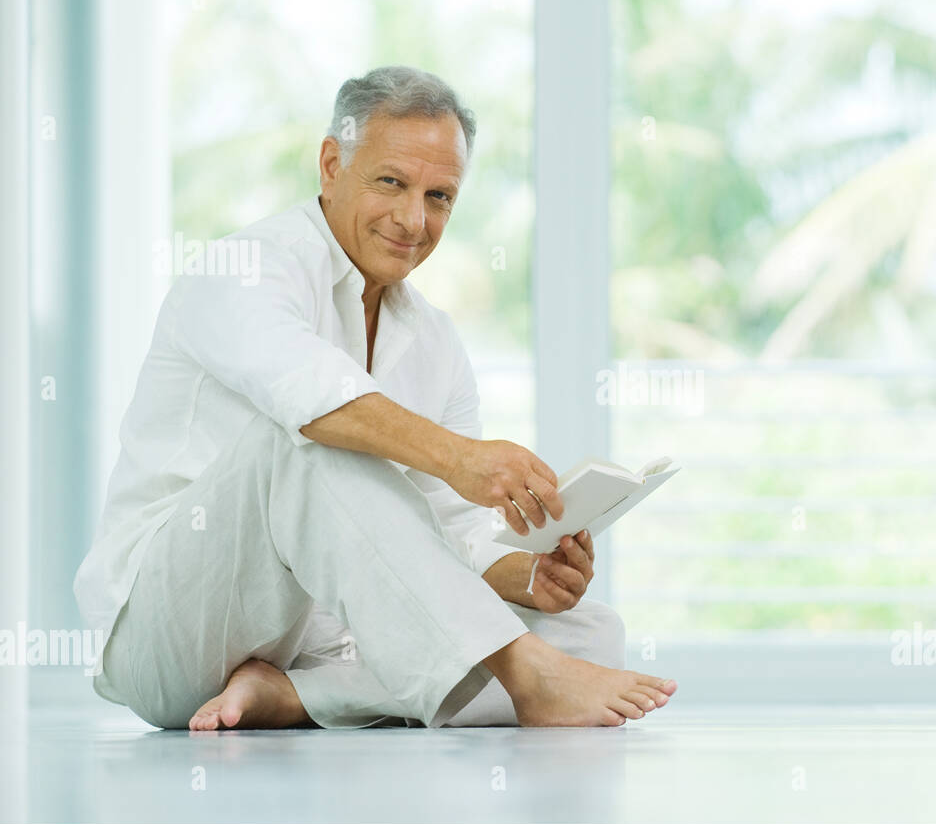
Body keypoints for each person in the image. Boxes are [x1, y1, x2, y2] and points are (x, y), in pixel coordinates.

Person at [73, 65, 676, 730]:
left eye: (440, 195)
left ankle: (297, 697)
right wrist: (463, 458)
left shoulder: (434, 340)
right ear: (332, 164)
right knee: (299, 437)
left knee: (594, 636)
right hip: (171, 632)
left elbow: (450, 533)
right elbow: (309, 396)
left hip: (320, 644)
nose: (414, 219)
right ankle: (523, 670)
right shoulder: (245, 267)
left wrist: (525, 574)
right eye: (391, 182)